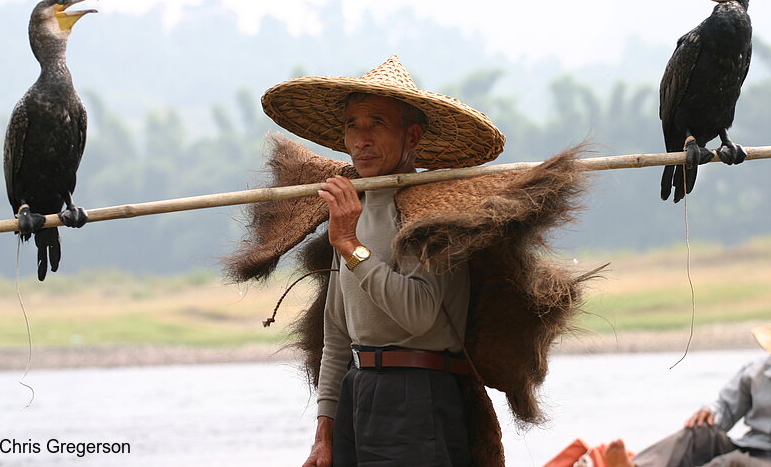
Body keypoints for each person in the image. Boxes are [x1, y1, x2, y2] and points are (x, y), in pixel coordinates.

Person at [225, 55, 596, 467]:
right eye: (353, 125)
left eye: (377, 124)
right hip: (357, 392)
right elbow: (335, 336)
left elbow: (419, 315)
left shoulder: (434, 214)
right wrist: (324, 434)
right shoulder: (351, 206)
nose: (361, 139)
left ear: (412, 136)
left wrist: (351, 245)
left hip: (418, 394)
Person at [605, 324, 771, 467]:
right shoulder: (757, 370)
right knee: (699, 434)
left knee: (732, 463)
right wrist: (711, 413)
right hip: (750, 445)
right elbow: (725, 408)